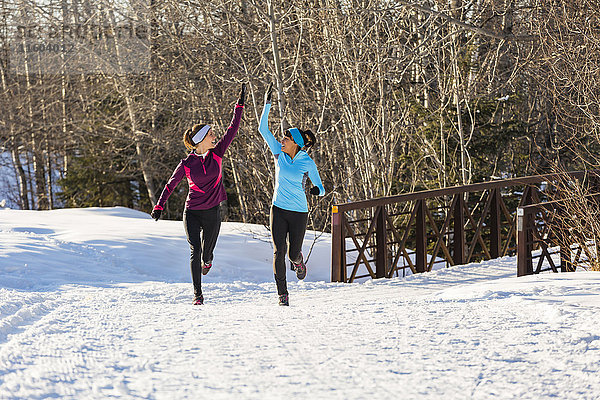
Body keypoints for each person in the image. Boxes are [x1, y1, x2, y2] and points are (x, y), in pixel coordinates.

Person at [150, 84, 246, 305]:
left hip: (212, 212)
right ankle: (197, 294)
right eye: (211, 134)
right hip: (192, 212)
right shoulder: (186, 164)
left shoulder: (218, 153)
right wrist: (159, 206)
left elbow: (233, 128)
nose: (215, 136)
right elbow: (170, 184)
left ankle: (208, 261)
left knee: (206, 254)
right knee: (195, 250)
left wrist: (239, 107)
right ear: (201, 139)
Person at [258, 83, 325, 306]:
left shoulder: (307, 162)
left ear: (295, 143)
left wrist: (317, 190)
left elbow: (320, 186)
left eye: (286, 138)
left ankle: (298, 261)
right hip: (278, 209)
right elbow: (262, 130)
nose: (281, 140)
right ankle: (282, 294)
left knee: (292, 253)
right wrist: (267, 104)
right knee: (279, 252)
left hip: (298, 213)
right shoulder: (279, 154)